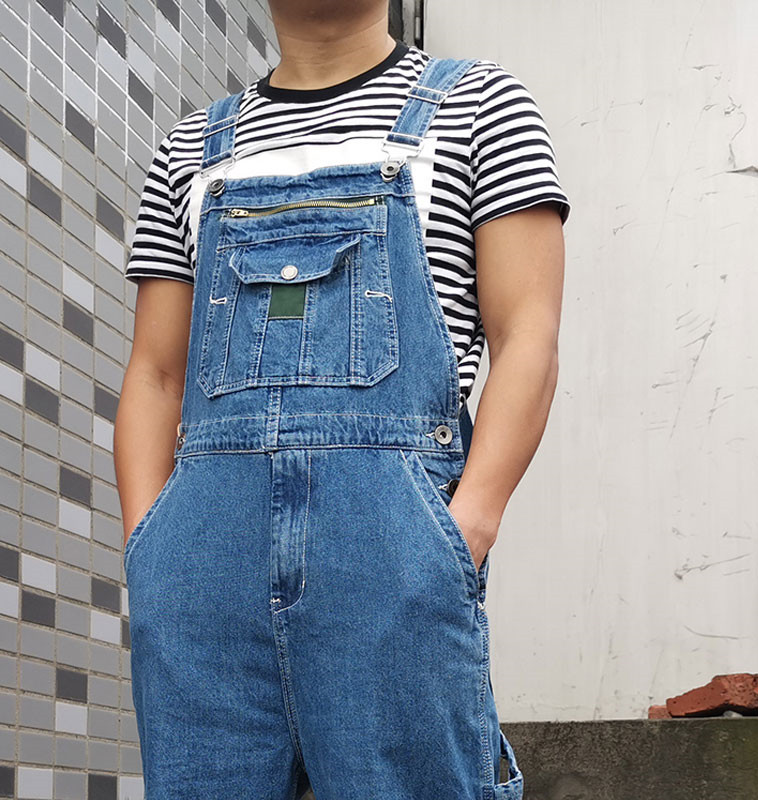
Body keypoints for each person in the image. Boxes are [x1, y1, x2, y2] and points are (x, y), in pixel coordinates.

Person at [114, 1, 570, 797]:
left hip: (396, 562)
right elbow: (155, 374)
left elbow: (527, 335)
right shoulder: (190, 148)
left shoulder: (480, 105)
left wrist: (462, 533)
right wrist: (151, 552)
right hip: (201, 581)